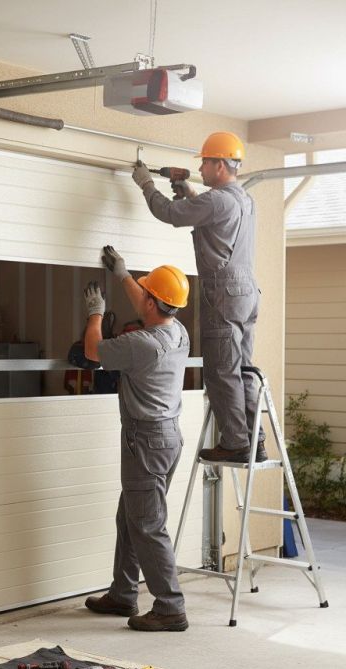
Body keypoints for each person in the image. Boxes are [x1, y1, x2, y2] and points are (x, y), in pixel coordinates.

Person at [131, 131, 265, 463]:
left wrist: (146, 183)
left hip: (223, 293)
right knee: (243, 368)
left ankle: (235, 442)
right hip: (246, 292)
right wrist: (184, 189)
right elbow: (209, 215)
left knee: (221, 370)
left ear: (220, 164)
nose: (201, 169)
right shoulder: (244, 200)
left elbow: (171, 214)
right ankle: (255, 440)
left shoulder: (217, 199)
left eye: (205, 162)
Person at [83, 248, 190, 631]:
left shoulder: (142, 343)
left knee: (146, 523)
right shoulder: (177, 332)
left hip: (145, 441)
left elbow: (93, 351)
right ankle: (124, 593)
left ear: (151, 301)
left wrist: (95, 311)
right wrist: (124, 275)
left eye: (144, 292)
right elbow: (150, 303)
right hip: (166, 437)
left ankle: (170, 606)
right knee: (131, 516)